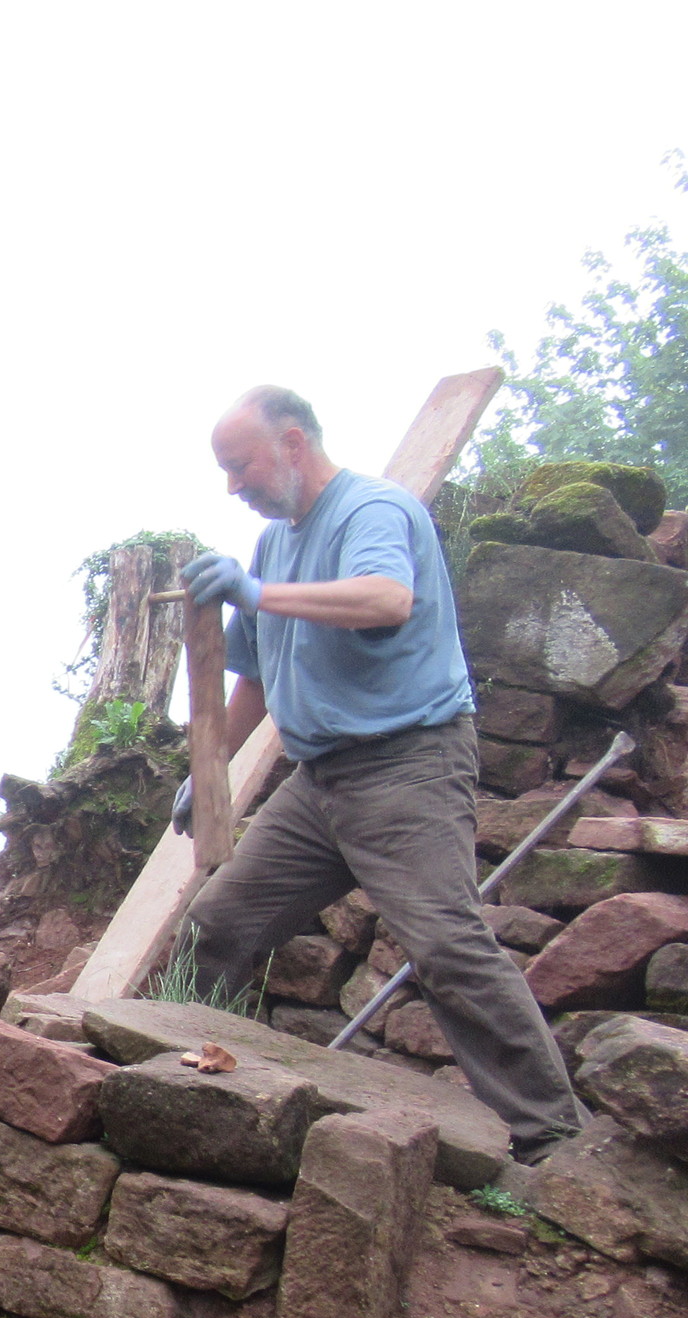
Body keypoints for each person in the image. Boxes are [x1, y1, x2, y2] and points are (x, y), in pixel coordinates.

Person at [176, 385, 583, 1161]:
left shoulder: (373, 511)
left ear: (293, 444)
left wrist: (256, 593)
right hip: (318, 783)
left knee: (447, 946)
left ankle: (555, 1141)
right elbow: (254, 678)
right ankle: (208, 1088)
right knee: (216, 927)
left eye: (241, 466)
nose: (233, 486)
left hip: (406, 767)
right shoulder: (274, 545)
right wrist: (209, 765)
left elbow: (387, 599)